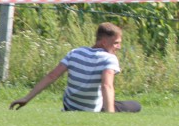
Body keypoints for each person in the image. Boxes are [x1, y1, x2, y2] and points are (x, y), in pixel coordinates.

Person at [9, 22, 141, 113]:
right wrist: (110, 114)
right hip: (91, 109)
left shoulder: (75, 52)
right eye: (116, 43)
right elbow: (107, 86)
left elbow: (52, 76)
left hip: (70, 107)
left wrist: (26, 98)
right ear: (104, 42)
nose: (119, 47)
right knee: (135, 106)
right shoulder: (109, 59)